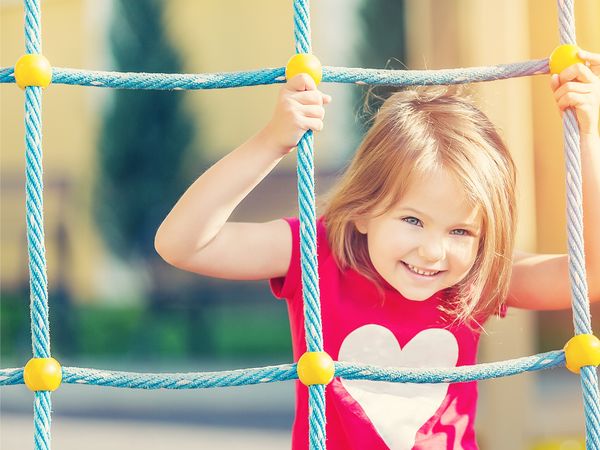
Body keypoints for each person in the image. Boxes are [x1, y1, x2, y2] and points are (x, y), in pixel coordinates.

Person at [154, 50, 600, 449]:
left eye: (461, 232)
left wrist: (589, 138)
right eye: (412, 220)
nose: (432, 252)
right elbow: (183, 244)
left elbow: (588, 276)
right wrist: (273, 141)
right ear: (364, 211)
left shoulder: (474, 276)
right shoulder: (318, 254)